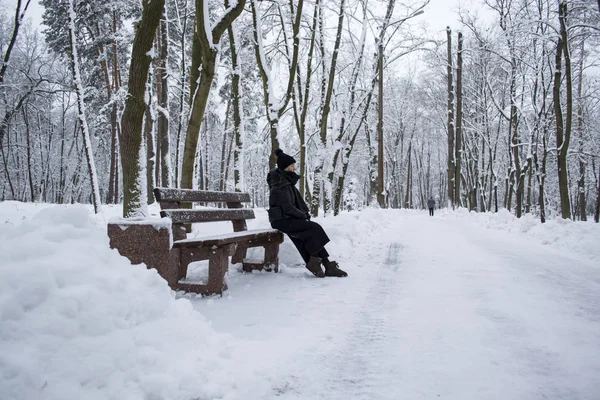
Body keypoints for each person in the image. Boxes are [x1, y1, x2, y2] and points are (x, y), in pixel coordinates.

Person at [267, 149, 348, 278]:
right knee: (313, 228)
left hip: (287, 218)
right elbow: (288, 208)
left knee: (309, 233)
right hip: (281, 220)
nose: (294, 168)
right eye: (292, 166)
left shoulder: (286, 182)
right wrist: (303, 215)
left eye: (294, 166)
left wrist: (302, 215)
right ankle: (318, 263)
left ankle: (323, 265)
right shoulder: (279, 185)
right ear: (285, 168)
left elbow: (291, 207)